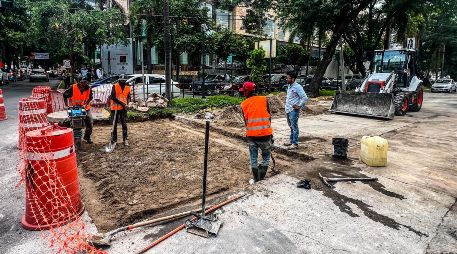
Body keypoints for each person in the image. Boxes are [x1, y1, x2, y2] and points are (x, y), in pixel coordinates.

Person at [239, 81, 273, 183]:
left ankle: (256, 177)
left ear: (247, 91)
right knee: (266, 156)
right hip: (266, 135)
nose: (243, 94)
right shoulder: (264, 99)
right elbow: (269, 117)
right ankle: (261, 175)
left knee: (253, 157)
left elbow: (246, 122)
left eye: (243, 92)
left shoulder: (244, 104)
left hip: (252, 136)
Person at [63, 77, 94, 144]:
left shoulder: (88, 88)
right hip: (75, 108)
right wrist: (66, 105)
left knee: (90, 123)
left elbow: (90, 97)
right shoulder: (73, 87)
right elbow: (65, 95)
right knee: (74, 124)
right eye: (82, 82)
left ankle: (87, 137)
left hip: (85, 108)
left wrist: (86, 104)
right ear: (78, 82)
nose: (83, 84)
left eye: (85, 82)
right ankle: (74, 138)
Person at [284, 71, 308, 149]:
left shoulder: (297, 87)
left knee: (294, 127)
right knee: (291, 126)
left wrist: (299, 105)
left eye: (288, 78)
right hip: (288, 109)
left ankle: (295, 143)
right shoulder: (289, 86)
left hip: (293, 110)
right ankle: (291, 141)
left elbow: (304, 97)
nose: (286, 79)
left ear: (293, 79)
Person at [110, 75, 131, 146]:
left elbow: (128, 96)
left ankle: (125, 139)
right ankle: (114, 140)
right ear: (119, 80)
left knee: (124, 124)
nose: (123, 82)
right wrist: (122, 104)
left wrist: (127, 104)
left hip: (123, 109)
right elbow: (113, 97)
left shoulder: (128, 87)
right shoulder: (115, 86)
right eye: (121, 81)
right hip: (115, 108)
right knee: (114, 125)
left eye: (124, 81)